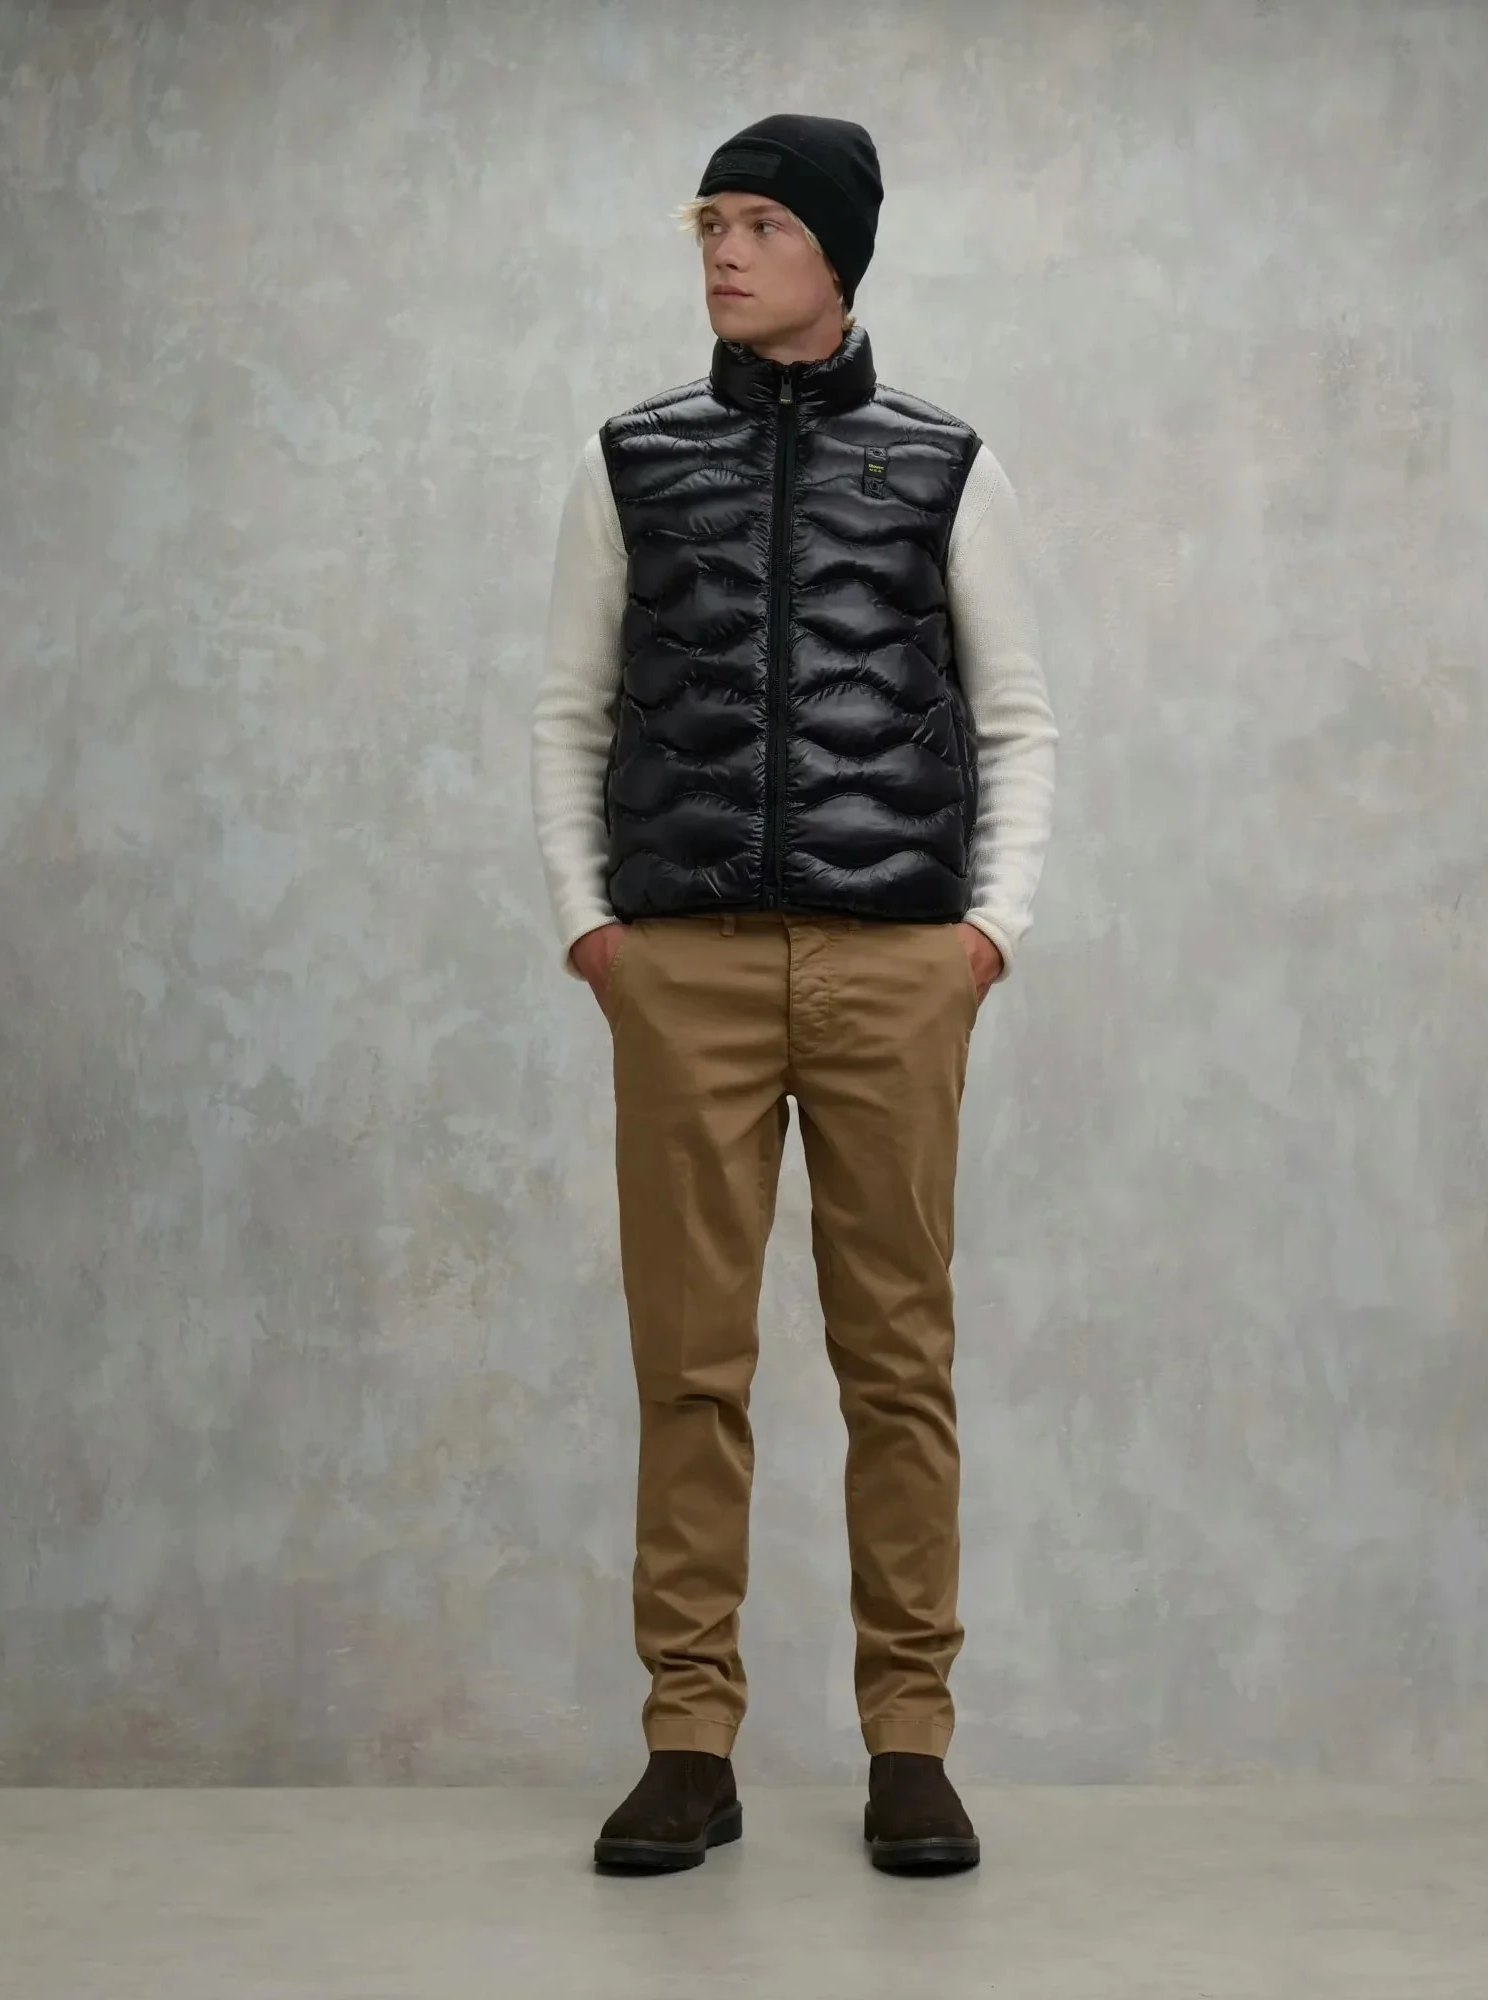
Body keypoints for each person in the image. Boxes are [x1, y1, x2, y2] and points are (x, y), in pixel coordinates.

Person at [529, 112, 1057, 1876]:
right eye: (711, 223)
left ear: (839, 252)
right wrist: (593, 928)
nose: (724, 252)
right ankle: (690, 1742)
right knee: (689, 1367)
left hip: (898, 964)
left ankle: (912, 1742)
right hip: (680, 967)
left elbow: (1019, 716)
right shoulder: (630, 460)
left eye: (760, 223)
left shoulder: (945, 464)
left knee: (899, 1362)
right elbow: (568, 711)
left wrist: (986, 936)